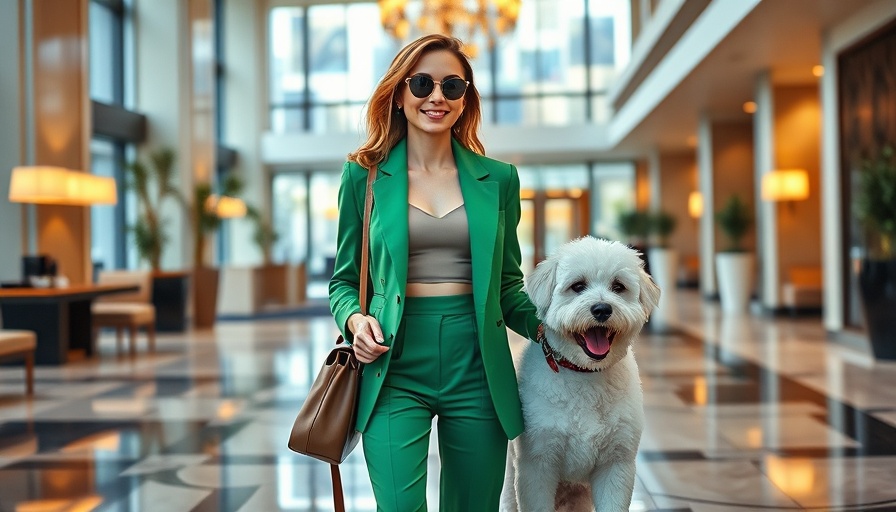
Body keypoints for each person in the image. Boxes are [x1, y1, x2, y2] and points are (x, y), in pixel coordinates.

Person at [328, 33, 541, 512]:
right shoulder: (363, 176)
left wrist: (554, 327)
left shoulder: (499, 180)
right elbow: (344, 280)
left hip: (478, 364)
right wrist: (355, 321)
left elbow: (507, 286)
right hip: (393, 362)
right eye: (422, 83)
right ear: (399, 94)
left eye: (452, 86)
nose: (436, 97)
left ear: (467, 99)